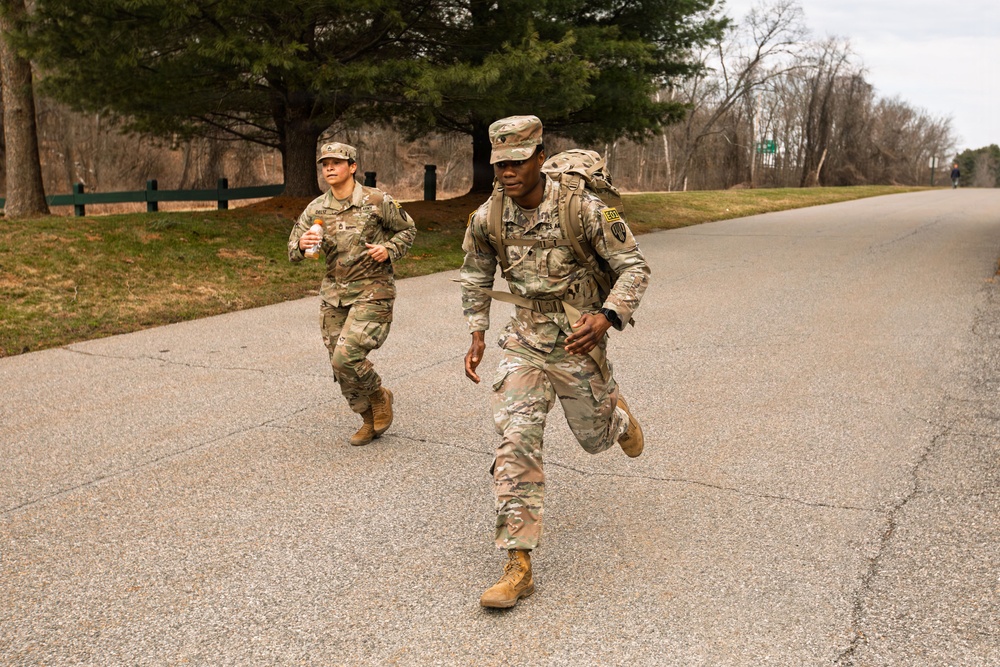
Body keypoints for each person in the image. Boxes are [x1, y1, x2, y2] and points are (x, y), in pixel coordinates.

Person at [459, 115, 651, 609]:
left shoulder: (583, 210)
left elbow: (634, 267)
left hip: (577, 342)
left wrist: (606, 317)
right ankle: (518, 565)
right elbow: (476, 274)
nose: (508, 172)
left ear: (540, 158)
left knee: (594, 440)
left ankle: (616, 417)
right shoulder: (488, 216)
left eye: (518, 162)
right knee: (515, 441)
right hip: (523, 343)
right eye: (500, 163)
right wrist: (477, 332)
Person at [288, 142, 416, 446]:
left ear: (353, 167)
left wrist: (389, 249)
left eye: (336, 162)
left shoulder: (376, 200)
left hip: (373, 290)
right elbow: (293, 249)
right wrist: (302, 246)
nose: (329, 168)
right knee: (338, 364)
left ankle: (379, 395)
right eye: (325, 164)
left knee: (347, 357)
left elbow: (408, 229)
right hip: (334, 295)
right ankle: (368, 419)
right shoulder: (316, 208)